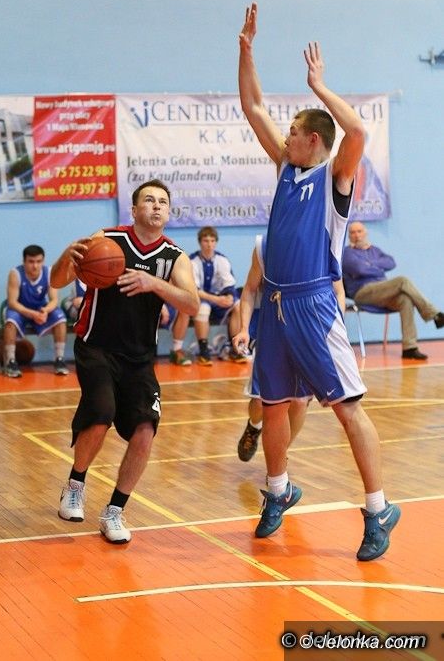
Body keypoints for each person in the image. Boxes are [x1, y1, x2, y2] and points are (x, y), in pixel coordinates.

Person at [238, 2, 400, 561]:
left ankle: (379, 508)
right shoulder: (285, 169)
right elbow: (253, 106)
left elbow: (355, 129)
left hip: (313, 305)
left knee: (347, 406)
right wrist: (246, 50)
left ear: (312, 139)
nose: (284, 136)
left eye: (293, 132)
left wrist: (319, 86)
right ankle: (278, 490)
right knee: (273, 404)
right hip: (276, 306)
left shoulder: (336, 177)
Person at [50, 179, 199, 544]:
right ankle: (75, 485)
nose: (157, 205)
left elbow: (192, 305)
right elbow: (57, 280)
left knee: (146, 429)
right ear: (134, 210)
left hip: (139, 358)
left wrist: (154, 283)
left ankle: (114, 511)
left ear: (168, 212)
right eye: (149, 200)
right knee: (101, 413)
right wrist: (66, 256)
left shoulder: (174, 257)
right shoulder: (106, 240)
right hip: (96, 348)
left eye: (163, 201)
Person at [235, 235, 346, 462]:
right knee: (261, 401)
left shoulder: (321, 244)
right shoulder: (265, 245)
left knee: (300, 401)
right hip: (272, 330)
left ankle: (280, 457)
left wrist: (336, 328)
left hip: (309, 332)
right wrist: (244, 328)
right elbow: (250, 289)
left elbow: (338, 292)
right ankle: (254, 426)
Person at [343, 221, 444, 360]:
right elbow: (359, 269)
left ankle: (409, 348)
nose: (357, 235)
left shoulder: (375, 250)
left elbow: (391, 262)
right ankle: (434, 314)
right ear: (349, 236)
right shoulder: (347, 253)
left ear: (365, 233)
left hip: (382, 290)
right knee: (402, 280)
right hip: (362, 292)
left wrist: (370, 264)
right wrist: (378, 267)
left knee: (405, 300)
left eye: (359, 231)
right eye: (353, 232)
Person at [170, 226, 246, 366]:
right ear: (200, 242)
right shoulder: (192, 261)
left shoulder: (222, 260)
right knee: (203, 309)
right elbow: (193, 289)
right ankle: (204, 351)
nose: (209, 244)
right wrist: (216, 299)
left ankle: (234, 348)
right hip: (202, 298)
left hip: (219, 298)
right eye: (206, 241)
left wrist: (229, 296)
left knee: (238, 304)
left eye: (212, 241)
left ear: (216, 242)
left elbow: (229, 284)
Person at [2, 244, 69, 378]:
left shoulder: (49, 272)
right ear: (24, 261)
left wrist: (45, 311)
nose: (35, 266)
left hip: (40, 309)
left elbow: (54, 300)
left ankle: (59, 359)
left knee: (60, 317)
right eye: (31, 262)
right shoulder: (15, 274)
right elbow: (12, 302)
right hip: (20, 309)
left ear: (43, 261)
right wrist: (32, 314)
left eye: (39, 261)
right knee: (10, 321)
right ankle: (10, 361)